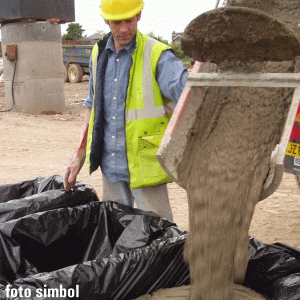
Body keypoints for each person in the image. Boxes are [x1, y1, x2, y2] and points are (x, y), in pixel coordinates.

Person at [63, 0, 189, 221]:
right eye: (116, 22)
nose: (123, 29)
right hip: (110, 166)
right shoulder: (97, 53)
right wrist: (79, 154)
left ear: (139, 15)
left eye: (128, 20)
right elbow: (92, 105)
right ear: (105, 20)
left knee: (158, 239)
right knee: (115, 236)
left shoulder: (157, 55)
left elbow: (191, 95)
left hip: (145, 167)